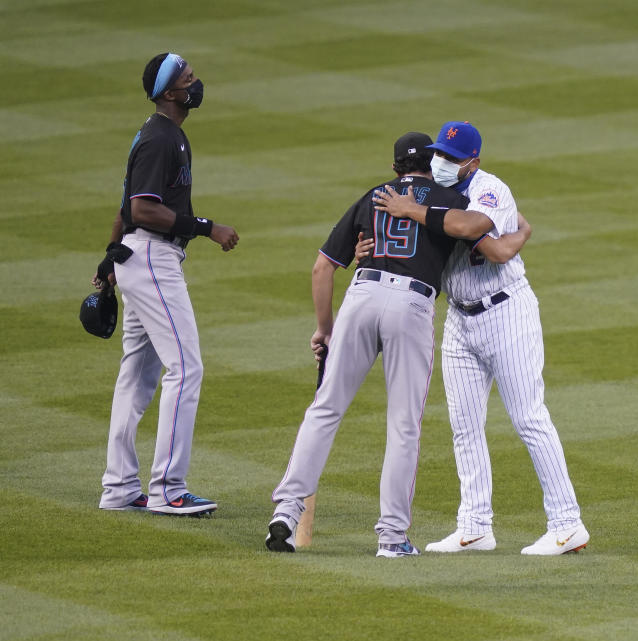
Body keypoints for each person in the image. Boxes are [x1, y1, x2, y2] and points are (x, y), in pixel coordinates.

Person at [265, 133, 529, 557]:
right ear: (432, 161)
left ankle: (285, 512)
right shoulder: (447, 200)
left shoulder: (372, 197)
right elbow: (495, 248)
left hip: (361, 296)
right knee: (404, 424)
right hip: (411, 305)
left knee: (325, 409)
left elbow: (321, 268)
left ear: (395, 169)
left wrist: (325, 330)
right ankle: (391, 537)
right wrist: (524, 231)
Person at [372, 121, 589, 555]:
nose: (442, 163)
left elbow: (481, 235)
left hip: (506, 311)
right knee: (463, 426)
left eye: (452, 158)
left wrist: (418, 213)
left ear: (474, 161)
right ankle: (474, 525)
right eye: (438, 155)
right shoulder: (433, 191)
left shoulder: (491, 188)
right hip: (459, 318)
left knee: (529, 417)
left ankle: (568, 524)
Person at [94, 53, 239, 516]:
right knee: (186, 368)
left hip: (137, 256)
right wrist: (207, 226)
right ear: (168, 93)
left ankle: (118, 486)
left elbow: (122, 210)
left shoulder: (158, 135)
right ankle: (168, 489)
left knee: (137, 376)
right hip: (154, 257)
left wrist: (109, 258)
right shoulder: (160, 139)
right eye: (187, 79)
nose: (196, 84)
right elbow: (141, 208)